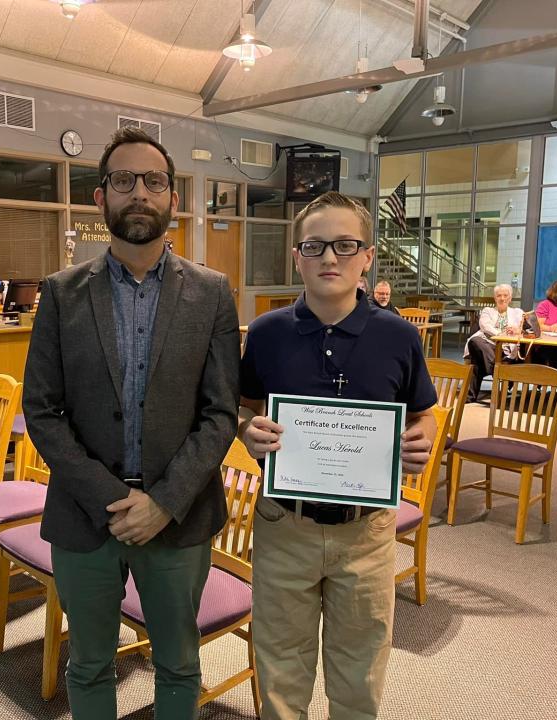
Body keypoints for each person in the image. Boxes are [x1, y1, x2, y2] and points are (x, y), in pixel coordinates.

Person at [22, 127, 241, 720]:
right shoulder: (62, 294)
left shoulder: (213, 293)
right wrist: (113, 499)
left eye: (154, 181)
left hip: (181, 515)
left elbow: (221, 411)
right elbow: (42, 410)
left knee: (178, 665)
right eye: (124, 180)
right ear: (101, 198)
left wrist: (163, 502)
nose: (139, 192)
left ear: (172, 197)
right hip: (85, 516)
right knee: (89, 665)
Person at [239, 192, 437, 720]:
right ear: (296, 256)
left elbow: (422, 414)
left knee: (360, 670)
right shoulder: (265, 334)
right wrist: (246, 432)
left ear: (368, 256)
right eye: (316, 246)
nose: (330, 258)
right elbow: (245, 408)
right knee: (281, 667)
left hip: (367, 532)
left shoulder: (398, 335)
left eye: (346, 245)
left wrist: (421, 438)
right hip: (284, 525)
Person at [463, 283, 525, 402]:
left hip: (506, 350)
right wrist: (501, 334)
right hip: (488, 345)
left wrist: (517, 330)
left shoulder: (517, 312)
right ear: (495, 298)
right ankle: (496, 371)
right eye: (499, 296)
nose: (502, 298)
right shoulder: (488, 311)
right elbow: (485, 326)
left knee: (477, 362)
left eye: (505, 295)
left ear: (510, 298)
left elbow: (525, 329)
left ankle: (470, 396)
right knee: (474, 341)